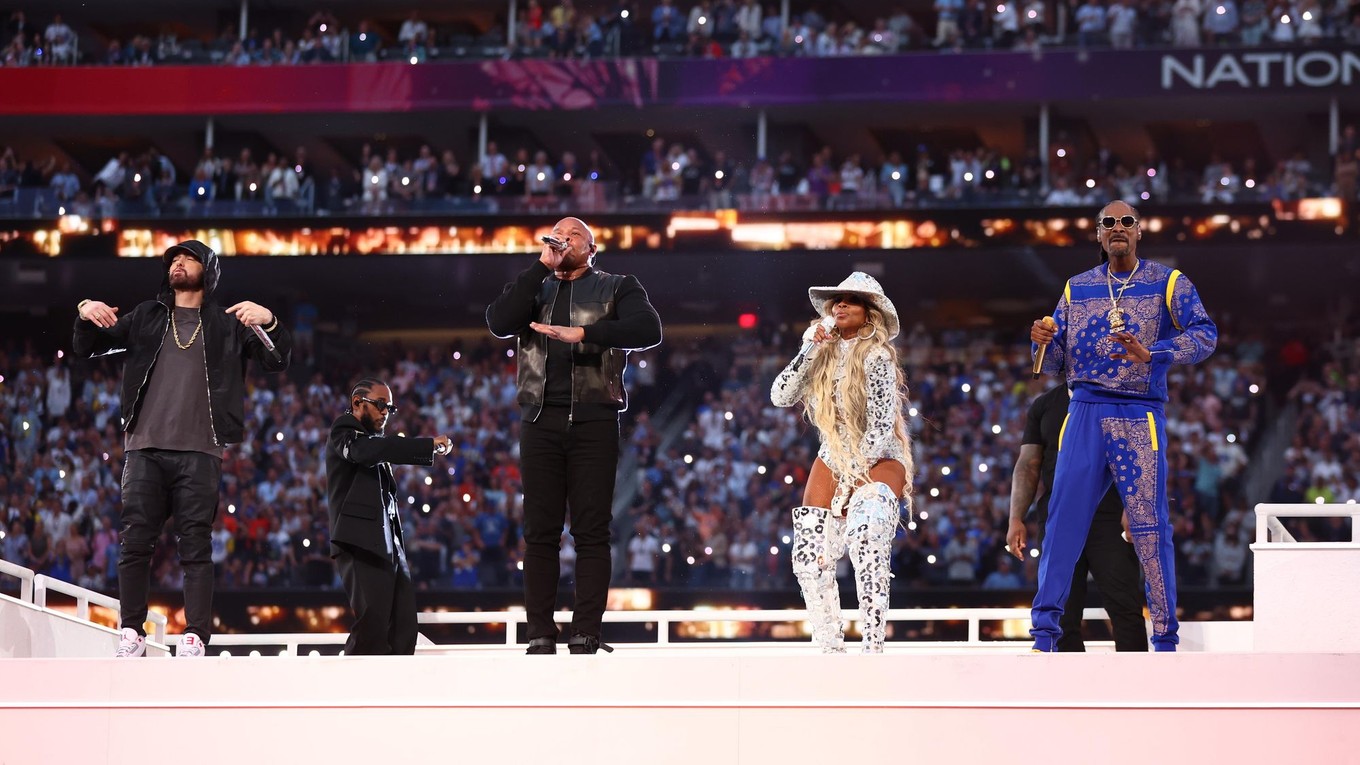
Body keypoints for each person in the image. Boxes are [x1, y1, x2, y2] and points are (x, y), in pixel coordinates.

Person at [73, 239, 291, 658]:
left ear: (207, 271)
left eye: (188, 257)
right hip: (144, 448)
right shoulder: (147, 316)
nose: (178, 262)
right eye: (173, 258)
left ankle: (194, 635)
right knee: (135, 542)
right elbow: (88, 346)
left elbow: (277, 360)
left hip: (200, 451)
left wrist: (270, 320)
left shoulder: (228, 324)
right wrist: (83, 309)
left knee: (195, 546)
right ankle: (131, 631)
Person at [1029, 199, 1216, 652]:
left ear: (1139, 231)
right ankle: (1044, 636)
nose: (1117, 228)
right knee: (1061, 522)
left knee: (1150, 524)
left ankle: (1166, 638)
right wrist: (1041, 339)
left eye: (1126, 222)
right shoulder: (1077, 288)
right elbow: (1053, 361)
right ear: (1097, 234)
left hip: (1138, 411)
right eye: (1108, 223)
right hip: (1086, 409)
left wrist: (1155, 354)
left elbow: (1205, 334)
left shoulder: (1167, 282)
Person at [486, 216, 662, 654]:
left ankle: (585, 631)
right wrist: (539, 266)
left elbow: (648, 330)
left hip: (594, 418)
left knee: (591, 531)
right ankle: (540, 633)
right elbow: (499, 321)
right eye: (556, 236)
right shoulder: (534, 286)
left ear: (592, 248)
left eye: (573, 236)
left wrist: (585, 334)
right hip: (539, 420)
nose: (563, 240)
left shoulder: (617, 285)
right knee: (540, 532)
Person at [770, 272, 914, 654]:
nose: (840, 305)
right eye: (837, 300)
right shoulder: (821, 351)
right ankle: (829, 645)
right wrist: (810, 350)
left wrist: (853, 481)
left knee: (867, 533)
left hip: (878, 456)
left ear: (870, 313)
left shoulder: (878, 355)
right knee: (807, 553)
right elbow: (780, 396)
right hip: (834, 455)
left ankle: (872, 644)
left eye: (851, 300)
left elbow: (882, 426)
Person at [1007, 384, 1148, 651]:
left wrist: (1134, 506)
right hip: (1057, 516)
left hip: (1109, 516)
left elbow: (1136, 456)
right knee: (1061, 613)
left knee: (1125, 606)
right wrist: (1016, 518)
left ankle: (1135, 687)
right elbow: (1028, 464)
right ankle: (1066, 687)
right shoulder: (1045, 404)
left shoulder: (1118, 396)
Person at [326, 378, 451, 655]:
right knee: (372, 623)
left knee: (403, 627)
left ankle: (395, 690)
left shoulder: (374, 442)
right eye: (381, 404)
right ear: (357, 403)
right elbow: (366, 452)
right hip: (359, 542)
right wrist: (426, 445)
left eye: (390, 408)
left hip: (388, 544)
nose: (385, 412)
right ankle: (352, 690)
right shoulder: (345, 429)